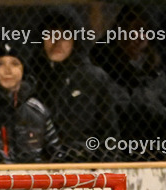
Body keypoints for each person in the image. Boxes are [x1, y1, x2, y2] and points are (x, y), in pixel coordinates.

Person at [27, 8, 122, 162]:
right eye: (51, 34)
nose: (57, 42)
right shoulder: (31, 79)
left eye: (65, 35)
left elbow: (109, 133)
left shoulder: (94, 78)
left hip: (85, 164)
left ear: (75, 40)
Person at [91, 5, 166, 158]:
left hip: (152, 151)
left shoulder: (155, 72)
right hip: (114, 152)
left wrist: (149, 103)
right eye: (133, 29)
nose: (138, 36)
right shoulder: (104, 69)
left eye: (144, 30)